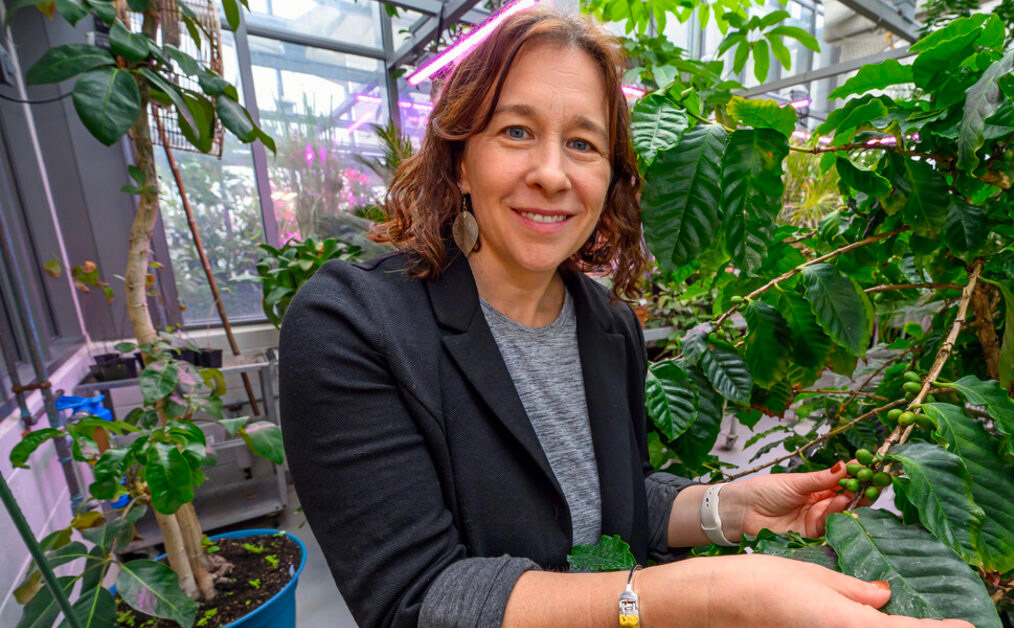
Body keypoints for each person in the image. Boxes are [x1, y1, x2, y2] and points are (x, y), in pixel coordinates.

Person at [279, 7, 974, 628]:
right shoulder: (354, 325)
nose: (553, 172)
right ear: (460, 160)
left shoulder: (607, 326)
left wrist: (729, 509)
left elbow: (610, 502)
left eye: (583, 144)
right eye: (516, 130)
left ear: (610, 175)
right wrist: (711, 594)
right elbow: (420, 599)